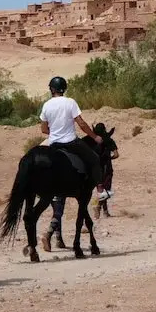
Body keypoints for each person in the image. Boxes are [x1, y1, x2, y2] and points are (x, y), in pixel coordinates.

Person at [40, 76, 104, 250]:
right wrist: (95, 137)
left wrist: (55, 132)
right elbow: (81, 123)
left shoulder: (47, 105)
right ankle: (100, 189)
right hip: (70, 142)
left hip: (53, 144)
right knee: (94, 159)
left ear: (52, 89)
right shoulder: (70, 102)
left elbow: (44, 129)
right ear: (64, 89)